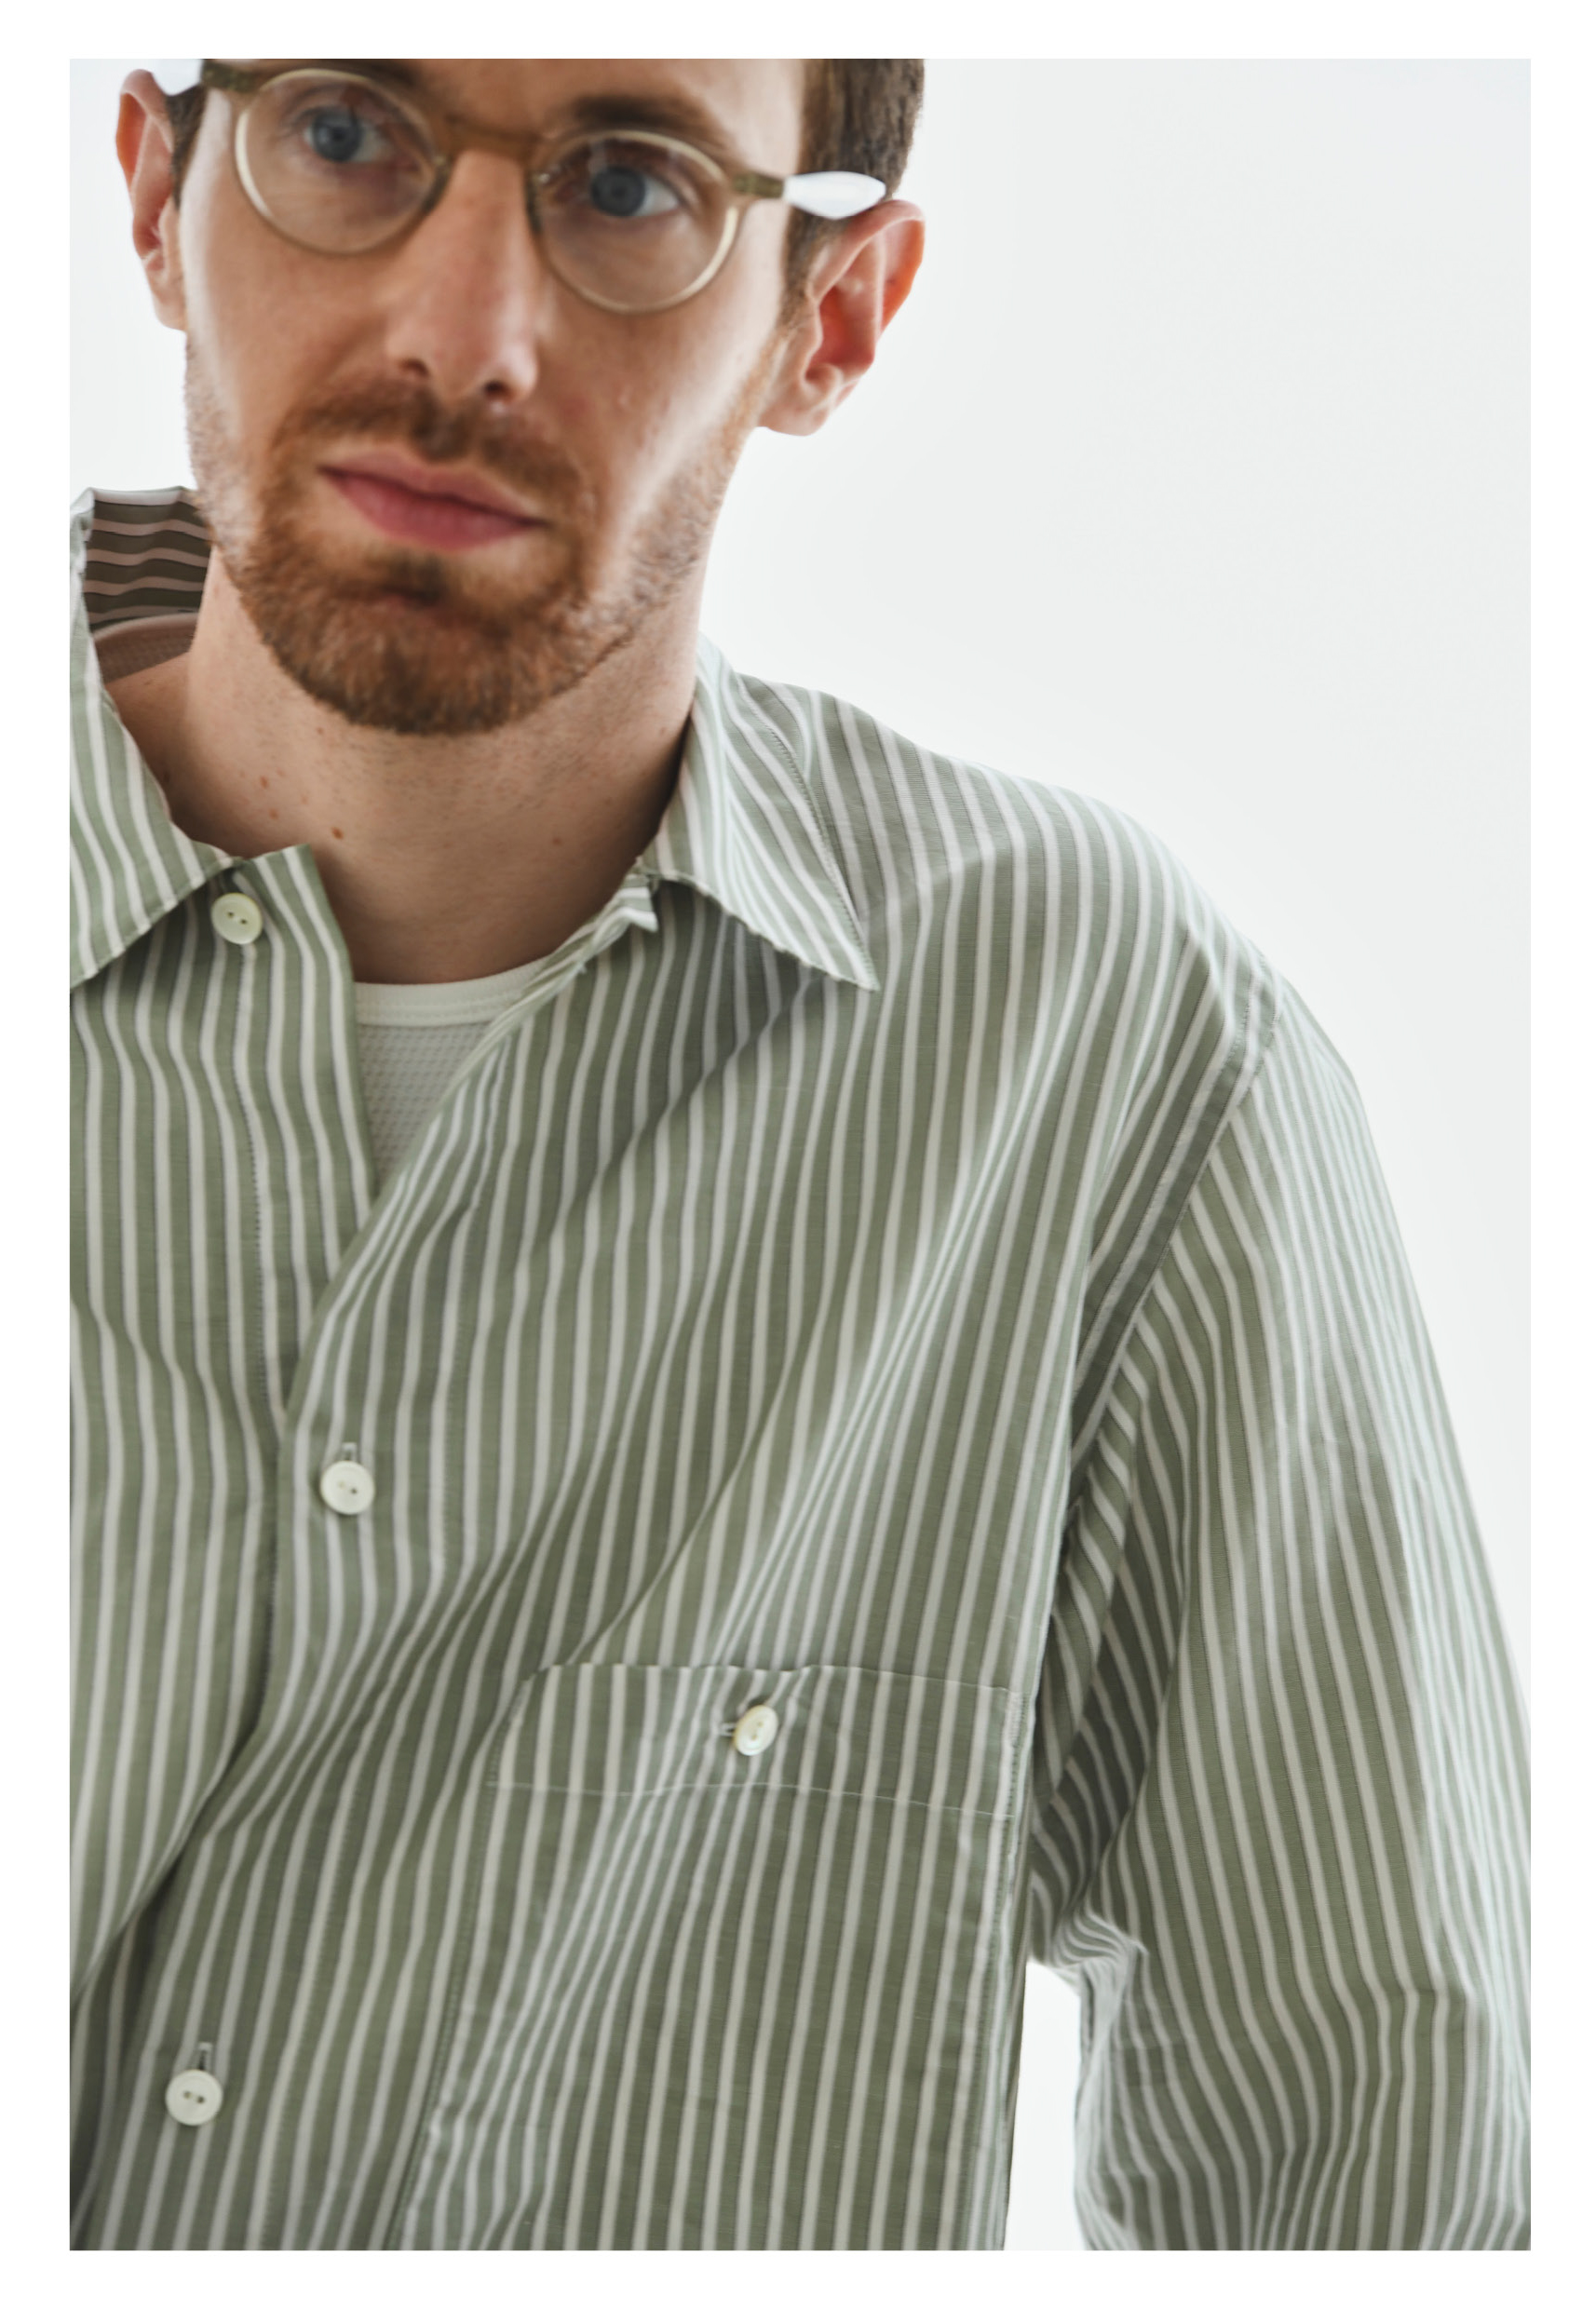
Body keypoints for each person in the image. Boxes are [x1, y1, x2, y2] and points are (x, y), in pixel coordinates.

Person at [72, 57, 1528, 2252]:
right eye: (349, 133)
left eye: (626, 184)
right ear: (158, 185)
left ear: (826, 316)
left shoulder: (1104, 1056)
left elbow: (1379, 2185)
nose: (463, 334)